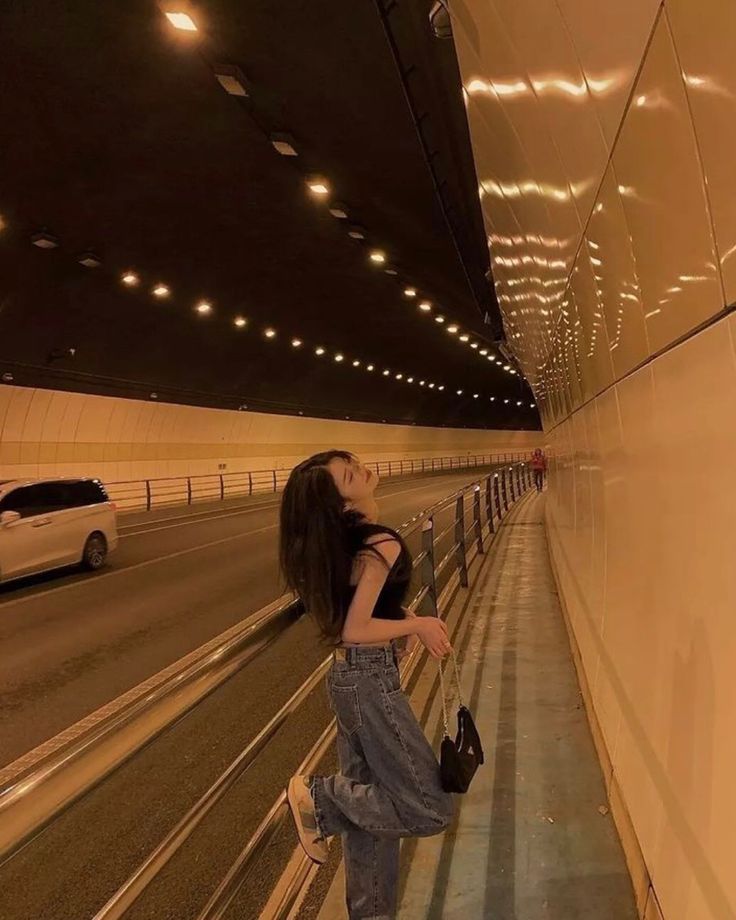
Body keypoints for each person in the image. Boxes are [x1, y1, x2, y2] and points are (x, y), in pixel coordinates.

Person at [279, 450, 455, 919]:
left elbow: (358, 613)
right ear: (340, 503)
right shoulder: (380, 543)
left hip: (349, 677)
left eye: (350, 463)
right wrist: (416, 626)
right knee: (426, 807)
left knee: (370, 817)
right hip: (370, 678)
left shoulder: (344, 543)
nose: (358, 468)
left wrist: (403, 620)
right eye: (347, 475)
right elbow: (356, 627)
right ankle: (321, 799)